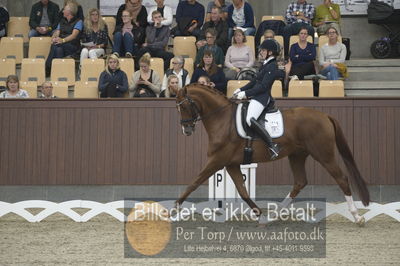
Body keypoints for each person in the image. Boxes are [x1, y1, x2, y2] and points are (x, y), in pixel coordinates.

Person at [232, 39, 281, 160]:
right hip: (256, 96)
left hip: (262, 98)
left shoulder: (273, 66)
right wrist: (240, 89)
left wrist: (246, 93)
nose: (261, 52)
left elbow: (263, 86)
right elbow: (254, 81)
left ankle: (272, 145)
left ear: (270, 52)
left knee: (249, 119)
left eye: (263, 50)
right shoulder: (266, 64)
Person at [45, 1, 83, 73]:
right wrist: (53, 38)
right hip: (62, 45)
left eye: (64, 10)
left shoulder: (79, 22)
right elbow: (57, 32)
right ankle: (59, 71)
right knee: (58, 49)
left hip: (73, 45)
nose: (62, 11)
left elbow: (74, 36)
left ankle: (48, 67)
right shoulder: (62, 21)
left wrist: (62, 40)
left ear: (69, 12)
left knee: (56, 45)